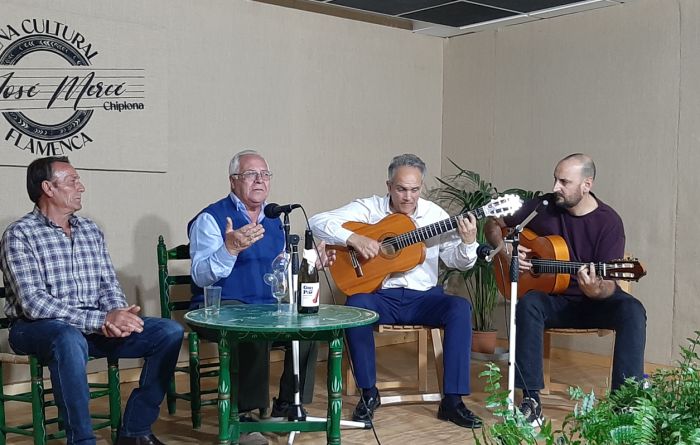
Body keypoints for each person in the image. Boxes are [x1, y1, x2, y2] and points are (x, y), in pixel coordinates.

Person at [0, 156, 184, 445]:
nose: (81, 187)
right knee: (67, 337)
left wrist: (118, 316)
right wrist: (101, 320)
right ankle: (82, 440)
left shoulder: (90, 230)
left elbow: (108, 285)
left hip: (91, 323)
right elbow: (34, 303)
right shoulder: (19, 235)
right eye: (73, 181)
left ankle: (135, 431)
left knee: (169, 332)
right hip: (34, 327)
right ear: (48, 187)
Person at [309, 153, 483, 429]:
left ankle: (452, 401)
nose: (408, 197)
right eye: (401, 189)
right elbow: (317, 221)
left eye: (414, 190)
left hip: (424, 298)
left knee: (459, 308)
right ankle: (369, 394)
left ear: (421, 187)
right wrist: (353, 238)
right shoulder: (370, 208)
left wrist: (468, 242)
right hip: (381, 297)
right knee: (356, 306)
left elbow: (457, 261)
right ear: (388, 185)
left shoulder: (435, 216)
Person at [484, 153, 647, 426]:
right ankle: (531, 401)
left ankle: (625, 405)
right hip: (555, 301)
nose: (556, 187)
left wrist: (596, 290)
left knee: (633, 310)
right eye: (555, 179)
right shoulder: (544, 207)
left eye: (564, 182)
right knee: (529, 303)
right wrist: (505, 249)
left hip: (594, 303)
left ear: (587, 185)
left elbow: (608, 284)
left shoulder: (608, 222)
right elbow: (492, 223)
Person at [188, 149, 322, 444]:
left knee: (310, 325)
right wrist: (229, 249)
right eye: (251, 174)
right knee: (253, 324)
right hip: (220, 306)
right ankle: (244, 416)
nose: (260, 180)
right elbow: (200, 275)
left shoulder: (275, 219)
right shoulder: (211, 219)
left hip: (267, 306)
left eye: (265, 174)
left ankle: (288, 405)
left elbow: (283, 272)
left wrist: (313, 262)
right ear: (234, 180)